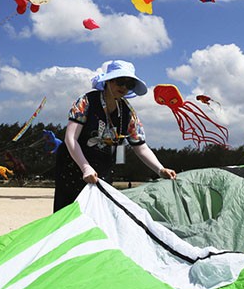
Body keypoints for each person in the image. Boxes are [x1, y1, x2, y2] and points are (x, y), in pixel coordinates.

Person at [53, 60, 176, 213]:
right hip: (73, 165)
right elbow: (70, 138)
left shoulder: (128, 112)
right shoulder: (86, 101)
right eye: (120, 81)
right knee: (68, 212)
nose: (124, 87)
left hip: (102, 167)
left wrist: (160, 169)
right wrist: (85, 167)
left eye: (129, 84)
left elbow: (140, 146)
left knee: (99, 214)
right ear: (108, 81)